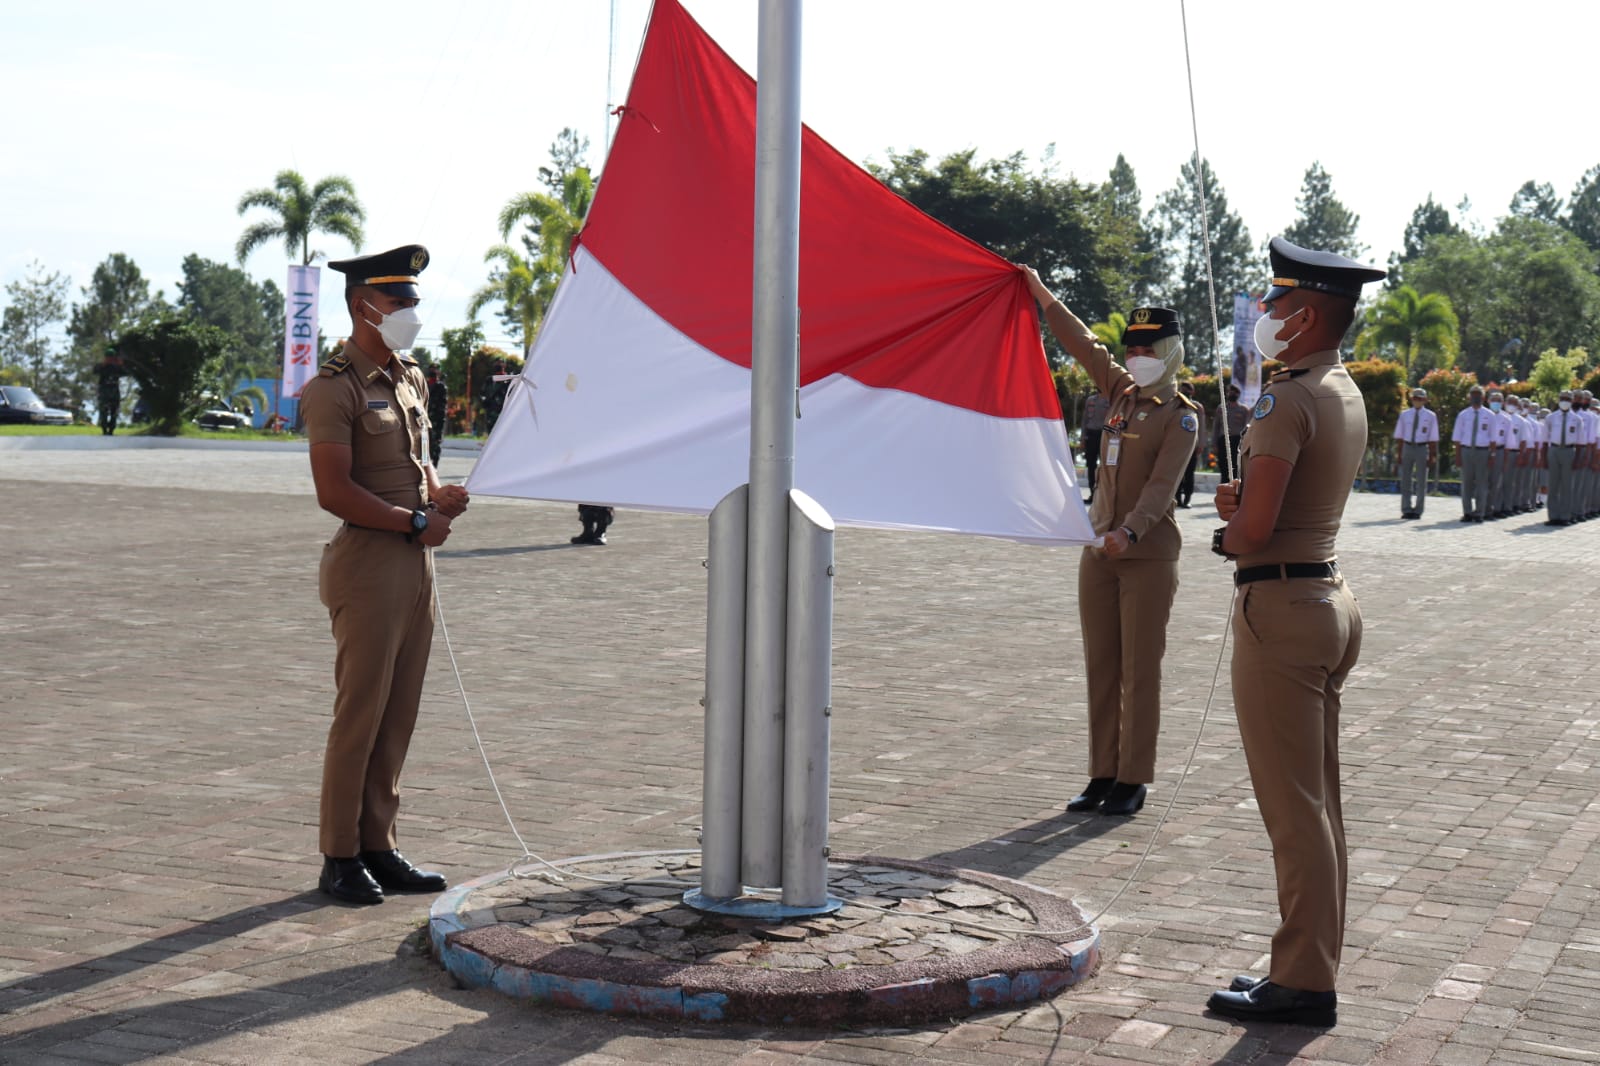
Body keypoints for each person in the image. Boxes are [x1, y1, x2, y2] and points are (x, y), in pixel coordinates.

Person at [1206, 236, 1385, 1027]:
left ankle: (1305, 982)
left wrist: (1230, 528)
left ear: (1305, 312)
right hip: (1326, 598)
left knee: (1294, 807)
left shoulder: (1285, 399)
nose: (1263, 314)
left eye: (1274, 302)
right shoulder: (1339, 386)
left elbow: (1254, 532)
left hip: (1280, 609)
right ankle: (1306, 962)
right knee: (1320, 803)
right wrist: (1248, 514)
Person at [299, 244, 470, 905]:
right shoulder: (332, 387)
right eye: (399, 303)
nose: (410, 314)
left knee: (398, 714)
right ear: (362, 304)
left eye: (412, 303)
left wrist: (437, 496)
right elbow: (333, 490)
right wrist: (411, 522)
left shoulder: (409, 379)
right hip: (368, 564)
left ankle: (380, 844)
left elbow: (416, 464)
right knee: (360, 714)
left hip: (413, 562)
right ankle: (338, 855)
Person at [1022, 270, 1198, 818]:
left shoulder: (1182, 418)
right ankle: (1102, 771)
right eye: (1133, 348)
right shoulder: (1120, 392)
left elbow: (1161, 489)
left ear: (1170, 352)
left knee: (1139, 669)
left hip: (1145, 554)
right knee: (1101, 665)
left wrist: (1131, 531)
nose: (1139, 355)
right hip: (1098, 550)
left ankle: (1133, 777)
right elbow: (1083, 345)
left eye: (1149, 348)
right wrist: (1042, 295)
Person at [1393, 387, 1438, 519]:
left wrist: (1432, 456)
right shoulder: (1405, 415)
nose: (1417, 401)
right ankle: (1406, 509)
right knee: (1406, 479)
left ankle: (1418, 510)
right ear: (1412, 399)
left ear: (1424, 400)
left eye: (1420, 398)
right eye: (1415, 398)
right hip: (1407, 446)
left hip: (1422, 448)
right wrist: (1399, 453)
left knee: (1421, 480)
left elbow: (1433, 437)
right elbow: (1400, 436)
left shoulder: (1430, 416)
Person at [1451, 386, 1494, 522]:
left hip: (1482, 451)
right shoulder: (1463, 415)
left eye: (1478, 395)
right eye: (1473, 395)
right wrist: (1457, 456)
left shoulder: (1490, 415)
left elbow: (1493, 439)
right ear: (1469, 397)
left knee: (1482, 484)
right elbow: (1457, 437)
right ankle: (1467, 512)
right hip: (1467, 450)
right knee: (1467, 483)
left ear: (1483, 398)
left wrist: (1492, 456)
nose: (1476, 398)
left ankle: (1479, 513)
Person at [1174, 381, 1204, 507]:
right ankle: (1176, 498)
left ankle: (1187, 498)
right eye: (1182, 389)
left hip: (1192, 445)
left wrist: (1201, 443)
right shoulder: (1174, 405)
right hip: (1176, 445)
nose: (1184, 391)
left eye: (1187, 389)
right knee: (1176, 473)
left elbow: (1201, 426)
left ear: (1192, 392)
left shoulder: (1197, 406)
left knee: (1189, 473)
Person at [1213, 384, 1249, 480]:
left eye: (1234, 392)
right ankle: (1224, 488)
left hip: (1237, 441)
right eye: (1230, 392)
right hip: (1223, 440)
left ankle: (1235, 489)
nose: (1232, 394)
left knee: (1236, 466)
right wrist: (1214, 444)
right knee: (1224, 466)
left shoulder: (1244, 409)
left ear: (1238, 394)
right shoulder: (1221, 408)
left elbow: (1247, 428)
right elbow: (1216, 427)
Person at [1082, 389, 1109, 503]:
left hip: (1104, 435)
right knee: (1091, 466)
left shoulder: (1110, 401)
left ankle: (1103, 496)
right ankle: (1093, 494)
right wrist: (1083, 437)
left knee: (1105, 467)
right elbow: (1085, 419)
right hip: (1091, 435)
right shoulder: (1091, 400)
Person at [96, 347, 123, 436]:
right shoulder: (102, 366)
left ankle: (111, 430)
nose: (110, 359)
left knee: (114, 411)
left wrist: (120, 365)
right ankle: (104, 430)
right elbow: (95, 370)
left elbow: (125, 373)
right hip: (104, 390)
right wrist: (103, 364)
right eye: (108, 357)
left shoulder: (117, 366)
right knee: (103, 411)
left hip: (114, 390)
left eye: (112, 357)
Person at [425, 365, 448, 468]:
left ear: (439, 372)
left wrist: (440, 425)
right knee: (424, 445)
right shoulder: (424, 384)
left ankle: (434, 467)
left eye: (435, 369)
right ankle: (425, 468)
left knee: (435, 445)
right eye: (431, 369)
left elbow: (443, 407)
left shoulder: (441, 387)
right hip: (423, 420)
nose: (433, 371)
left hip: (436, 420)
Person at [484, 360, 509, 434]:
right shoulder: (490, 380)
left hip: (502, 412)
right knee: (491, 432)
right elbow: (483, 393)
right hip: (491, 412)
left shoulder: (507, 381)